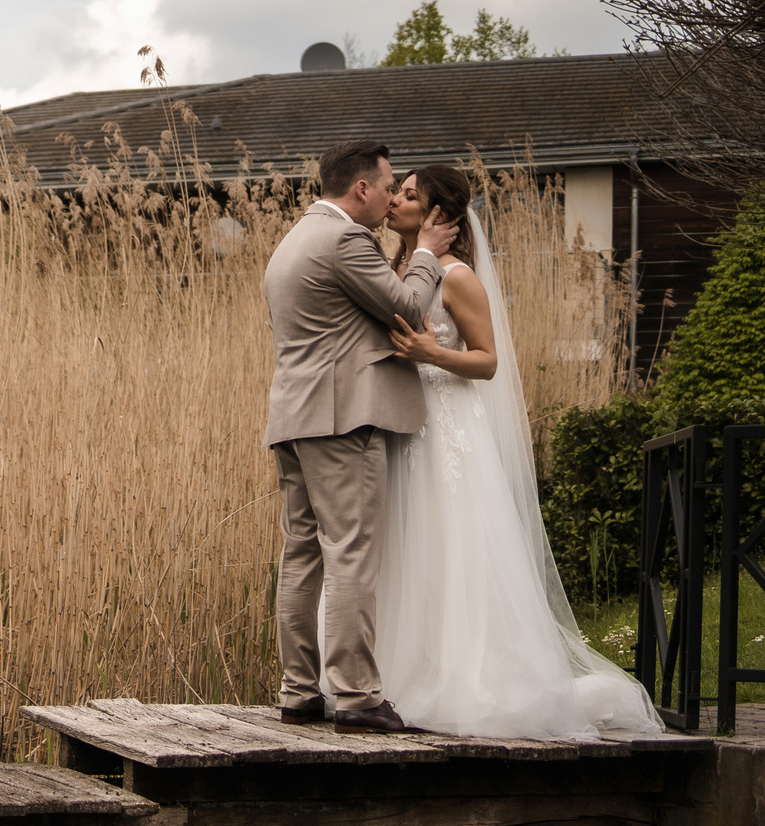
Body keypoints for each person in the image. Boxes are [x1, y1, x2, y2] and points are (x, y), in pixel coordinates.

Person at [375, 166, 666, 739]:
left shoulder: (457, 277)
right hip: (405, 429)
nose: (395, 200)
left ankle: (466, 677)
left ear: (442, 218)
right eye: (398, 191)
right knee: (409, 549)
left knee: (454, 546)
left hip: (449, 429)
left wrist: (431, 354)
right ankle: (396, 673)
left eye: (410, 195)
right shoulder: (396, 270)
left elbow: (486, 361)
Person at [262, 139, 459, 736]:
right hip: (342, 418)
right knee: (350, 551)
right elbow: (405, 307)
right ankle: (356, 694)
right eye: (390, 184)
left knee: (301, 554)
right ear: (362, 189)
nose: (395, 196)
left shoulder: (293, 240)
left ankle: (298, 691)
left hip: (295, 417)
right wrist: (425, 253)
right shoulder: (345, 239)